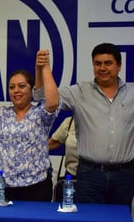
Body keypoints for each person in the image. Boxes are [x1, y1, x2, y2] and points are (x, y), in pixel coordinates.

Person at [34, 43, 134, 205]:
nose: (102, 68)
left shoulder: (132, 94)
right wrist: (41, 69)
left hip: (125, 175)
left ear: (119, 66)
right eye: (97, 63)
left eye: (108, 63)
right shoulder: (79, 92)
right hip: (90, 175)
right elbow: (42, 97)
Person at [0, 50, 60, 202]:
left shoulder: (40, 114)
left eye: (21, 86)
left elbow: (52, 103)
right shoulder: (1, 114)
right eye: (12, 87)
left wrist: (44, 67)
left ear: (31, 90)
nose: (16, 91)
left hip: (37, 186)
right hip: (5, 188)